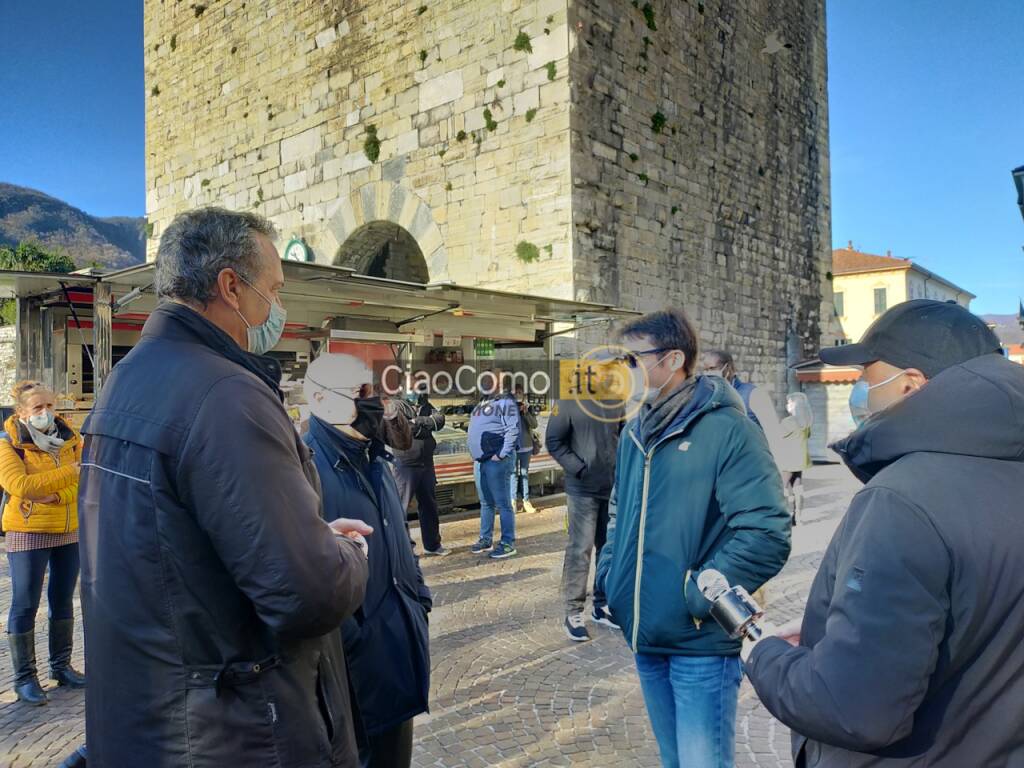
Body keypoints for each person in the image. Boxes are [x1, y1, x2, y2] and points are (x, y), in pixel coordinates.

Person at [78, 207, 370, 767]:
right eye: (275, 290)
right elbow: (307, 595)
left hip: (154, 720)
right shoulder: (226, 396)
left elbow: (177, 547)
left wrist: (300, 534)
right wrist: (347, 553)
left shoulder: (126, 380)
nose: (278, 309)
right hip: (236, 732)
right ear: (232, 287)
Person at [744, 300, 1024, 768]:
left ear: (911, 385)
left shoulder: (903, 500)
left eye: (868, 376)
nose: (861, 391)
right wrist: (828, 630)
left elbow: (853, 708)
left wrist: (764, 657)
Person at [596, 309, 791, 768]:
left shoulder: (728, 430)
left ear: (673, 359)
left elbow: (766, 529)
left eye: (633, 358)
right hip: (645, 631)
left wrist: (700, 594)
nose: (624, 371)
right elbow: (618, 513)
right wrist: (612, 576)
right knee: (673, 760)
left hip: (700, 639)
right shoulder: (635, 433)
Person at [304, 354, 432, 768]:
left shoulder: (376, 458)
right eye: (359, 393)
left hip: (397, 651)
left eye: (373, 391)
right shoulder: (305, 470)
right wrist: (350, 637)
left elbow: (399, 540)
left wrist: (418, 599)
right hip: (349, 671)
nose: (372, 401)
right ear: (322, 399)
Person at [0, 381, 86, 705]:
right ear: (21, 412)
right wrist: (70, 474)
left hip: (68, 528)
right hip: (28, 530)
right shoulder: (9, 444)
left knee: (62, 599)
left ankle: (61, 666)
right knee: (25, 603)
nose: (45, 413)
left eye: (49, 406)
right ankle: (24, 678)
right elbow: (19, 484)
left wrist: (56, 494)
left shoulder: (71, 439)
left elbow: (86, 478)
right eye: (37, 408)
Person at [546, 395, 623, 642]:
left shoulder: (616, 401)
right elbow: (554, 441)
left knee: (608, 549)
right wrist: (579, 468)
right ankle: (573, 612)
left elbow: (622, 439)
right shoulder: (568, 401)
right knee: (580, 550)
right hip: (582, 490)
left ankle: (602, 605)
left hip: (610, 488)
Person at [391, 382, 448, 556]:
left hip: (426, 463)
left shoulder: (426, 405)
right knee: (401, 507)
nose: (416, 392)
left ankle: (433, 545)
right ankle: (404, 547)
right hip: (405, 463)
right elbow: (406, 428)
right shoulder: (396, 405)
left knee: (429, 505)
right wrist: (425, 425)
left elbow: (440, 421)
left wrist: (420, 421)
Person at [467, 375, 520, 559]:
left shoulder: (506, 402)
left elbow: (512, 429)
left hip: (496, 460)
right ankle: (485, 538)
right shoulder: (483, 402)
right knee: (486, 502)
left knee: (503, 504)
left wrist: (502, 454)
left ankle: (507, 543)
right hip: (482, 461)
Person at [702, 349, 784, 446]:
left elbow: (774, 435)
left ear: (727, 368)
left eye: (712, 369)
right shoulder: (710, 398)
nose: (707, 374)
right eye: (705, 370)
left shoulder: (754, 395)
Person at [777, 392, 813, 525]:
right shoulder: (806, 423)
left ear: (795, 406)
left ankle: (783, 516)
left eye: (789, 403)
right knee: (798, 487)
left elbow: (776, 435)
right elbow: (807, 437)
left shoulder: (788, 422)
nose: (787, 405)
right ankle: (798, 516)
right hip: (800, 460)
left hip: (787, 460)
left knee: (781, 488)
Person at [510, 385, 539, 515]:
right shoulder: (509, 408)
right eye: (516, 392)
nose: (518, 394)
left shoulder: (528, 408)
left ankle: (526, 501)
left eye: (520, 392)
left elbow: (534, 424)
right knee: (513, 474)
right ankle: (513, 502)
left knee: (524, 473)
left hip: (526, 446)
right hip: (513, 446)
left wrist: (525, 412)